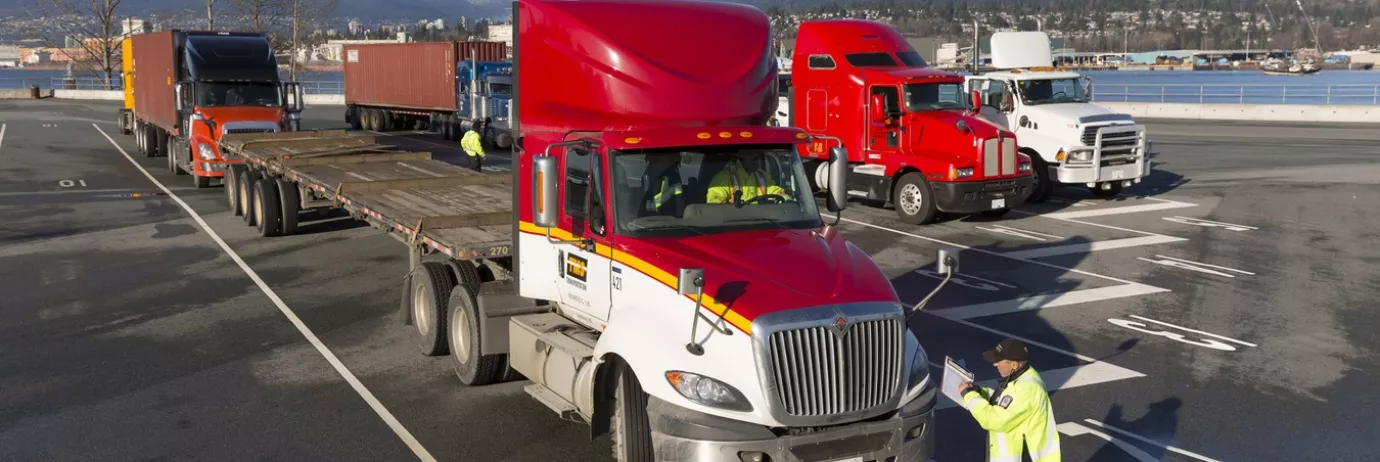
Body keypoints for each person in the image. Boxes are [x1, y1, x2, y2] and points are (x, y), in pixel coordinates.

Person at [959, 338, 1061, 462]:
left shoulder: (1026, 390)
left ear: (1014, 364)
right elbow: (1004, 401)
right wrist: (979, 392)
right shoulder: (1022, 377)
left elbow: (993, 420)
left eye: (999, 361)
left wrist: (969, 395)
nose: (995, 364)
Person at [706, 153, 789, 204]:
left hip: (763, 224)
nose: (756, 161)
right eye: (753, 159)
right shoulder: (723, 177)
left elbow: (776, 192)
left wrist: (788, 201)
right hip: (733, 227)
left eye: (757, 158)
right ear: (740, 160)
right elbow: (715, 205)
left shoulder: (761, 175)